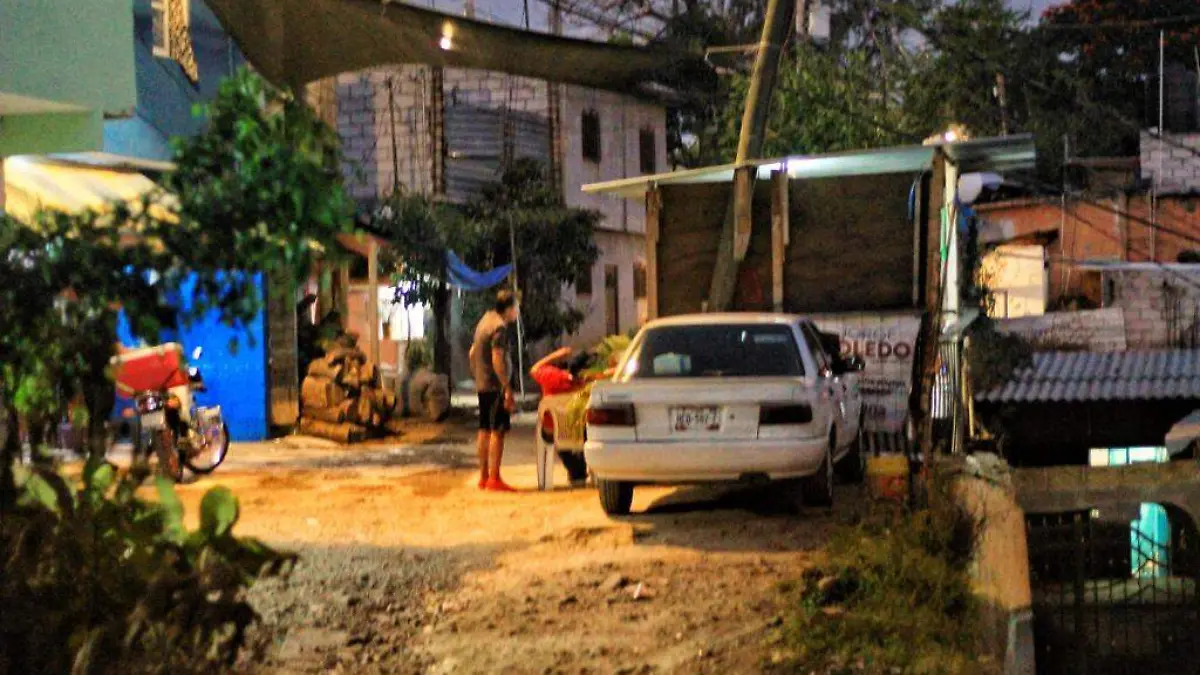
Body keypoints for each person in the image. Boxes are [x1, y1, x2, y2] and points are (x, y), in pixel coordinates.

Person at [469, 289, 520, 492]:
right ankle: (494, 478)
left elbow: (472, 352)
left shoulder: (484, 321)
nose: (517, 312)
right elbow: (497, 358)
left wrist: (477, 374)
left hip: (483, 383)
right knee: (497, 431)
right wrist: (506, 387)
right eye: (516, 308)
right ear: (508, 309)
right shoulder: (499, 328)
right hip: (495, 385)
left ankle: (483, 477)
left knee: (484, 429)